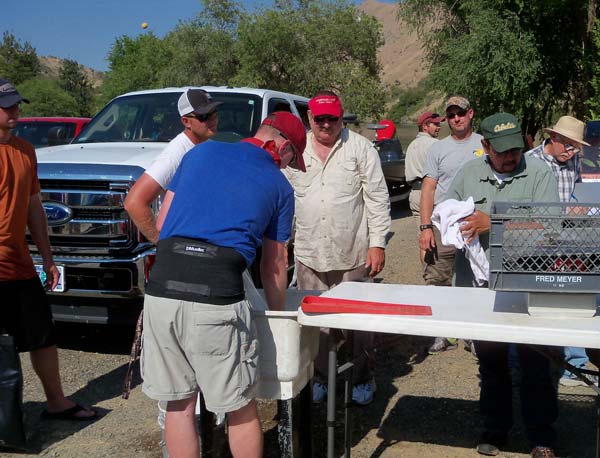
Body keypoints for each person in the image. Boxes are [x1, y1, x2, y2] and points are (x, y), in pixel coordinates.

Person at [140, 111, 306, 458]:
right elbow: (274, 265)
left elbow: (164, 222)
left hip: (162, 290)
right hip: (216, 295)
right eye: (291, 160)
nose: (287, 168)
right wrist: (276, 315)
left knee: (179, 403)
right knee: (240, 406)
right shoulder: (279, 186)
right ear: (282, 147)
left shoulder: (198, 152)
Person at [447, 112, 560, 458]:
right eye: (502, 151)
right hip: (481, 288)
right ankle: (496, 429)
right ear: (485, 147)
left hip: (528, 283)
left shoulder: (539, 174)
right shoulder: (468, 174)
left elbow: (550, 230)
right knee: (491, 362)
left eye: (515, 149)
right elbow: (447, 211)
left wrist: (492, 224)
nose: (511, 157)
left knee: (536, 361)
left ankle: (541, 436)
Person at [284, 91, 391, 406]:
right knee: (316, 324)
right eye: (321, 118)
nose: (327, 124)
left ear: (342, 117)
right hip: (308, 256)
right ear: (310, 119)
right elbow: (284, 200)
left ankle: (362, 377)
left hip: (353, 255)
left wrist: (377, 244)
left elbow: (377, 198)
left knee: (359, 325)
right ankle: (320, 377)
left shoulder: (360, 148)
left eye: (333, 118)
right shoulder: (295, 151)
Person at [0, 78, 96, 421]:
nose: (15, 111)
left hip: (19, 264)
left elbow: (33, 208)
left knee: (42, 334)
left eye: (16, 104)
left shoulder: (25, 151)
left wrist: (47, 257)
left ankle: (56, 401)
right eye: (7, 105)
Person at [525, 115, 593, 388]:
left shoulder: (573, 160)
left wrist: (578, 207)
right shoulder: (529, 161)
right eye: (568, 145)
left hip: (568, 238)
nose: (573, 152)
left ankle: (574, 366)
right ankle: (525, 362)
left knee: (574, 298)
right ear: (553, 138)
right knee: (534, 299)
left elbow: (576, 192)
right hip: (535, 239)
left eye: (576, 147)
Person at [419, 96, 484, 354]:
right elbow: (428, 188)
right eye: (451, 114)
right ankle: (441, 332)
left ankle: (476, 334)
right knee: (437, 278)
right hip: (443, 224)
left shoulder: (484, 143)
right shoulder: (437, 149)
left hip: (475, 223)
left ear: (471, 114)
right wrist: (425, 228)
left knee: (478, 279)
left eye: (461, 113)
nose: (456, 118)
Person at [125, 88, 221, 243]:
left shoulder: (207, 145)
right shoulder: (175, 154)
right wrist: (161, 244)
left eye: (215, 113)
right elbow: (134, 202)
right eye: (205, 116)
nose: (213, 120)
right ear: (186, 121)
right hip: (184, 247)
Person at [405, 111, 443, 216]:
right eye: (435, 124)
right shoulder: (436, 144)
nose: (439, 127)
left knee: (421, 231)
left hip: (415, 194)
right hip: (432, 193)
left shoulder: (411, 145)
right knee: (438, 231)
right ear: (425, 126)